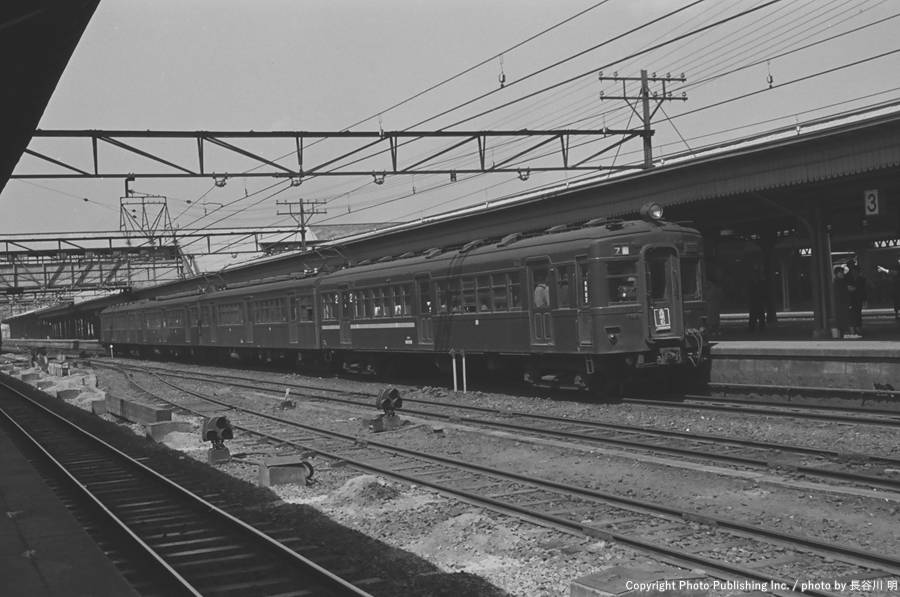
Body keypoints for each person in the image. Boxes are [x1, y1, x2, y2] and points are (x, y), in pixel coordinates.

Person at [845, 261, 867, 337]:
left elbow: (863, 290)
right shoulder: (848, 277)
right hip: (852, 298)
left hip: (856, 298)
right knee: (854, 313)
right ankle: (856, 327)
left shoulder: (848, 277)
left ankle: (856, 327)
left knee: (857, 313)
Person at [832, 265, 849, 337]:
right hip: (840, 303)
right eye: (840, 272)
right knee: (842, 318)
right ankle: (842, 332)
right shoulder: (838, 282)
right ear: (837, 273)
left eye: (842, 272)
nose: (842, 274)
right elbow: (840, 293)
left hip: (842, 302)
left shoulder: (840, 281)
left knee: (842, 318)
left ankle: (841, 333)